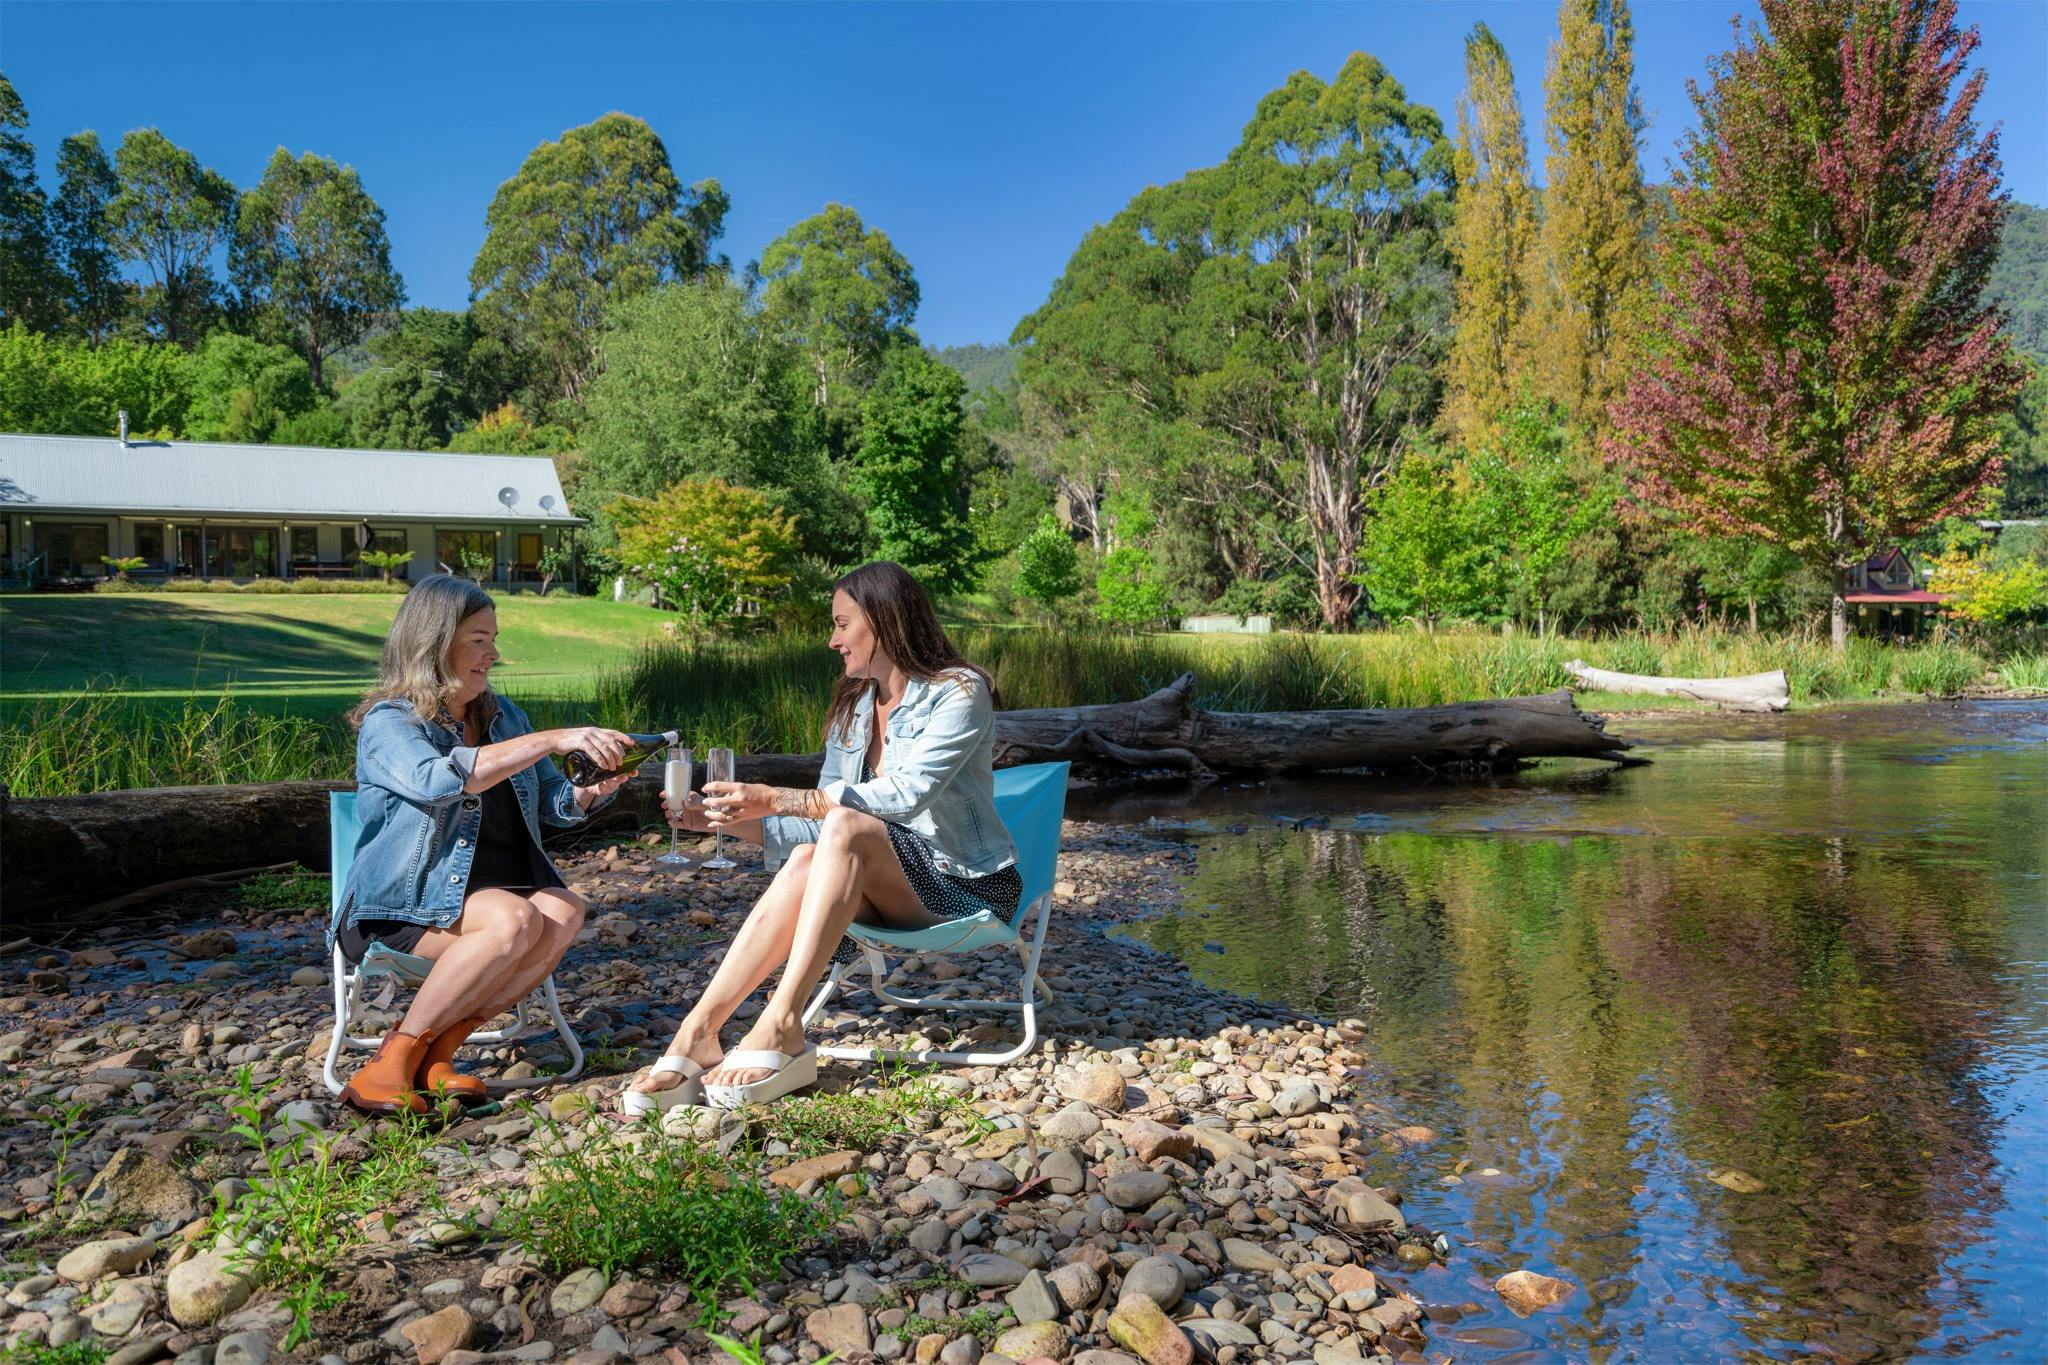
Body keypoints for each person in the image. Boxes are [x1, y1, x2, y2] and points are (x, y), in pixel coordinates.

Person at [623, 561, 1020, 1112]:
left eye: (841, 623)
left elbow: (908, 795)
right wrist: (721, 822)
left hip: (965, 890)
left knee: (844, 823)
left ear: (882, 620)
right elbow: (820, 827)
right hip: (882, 886)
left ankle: (783, 1020)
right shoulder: (855, 706)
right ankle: (698, 1032)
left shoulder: (959, 691)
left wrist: (777, 795)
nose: (831, 640)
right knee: (813, 852)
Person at [332, 574, 633, 1116]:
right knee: (514, 920)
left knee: (563, 908)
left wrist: (589, 793)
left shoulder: (503, 717)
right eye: (479, 639)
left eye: (493, 639)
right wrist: (552, 738)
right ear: (435, 641)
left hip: (487, 906)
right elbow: (438, 780)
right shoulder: (391, 723)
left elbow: (551, 803)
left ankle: (435, 1055)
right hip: (405, 907)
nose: (493, 654)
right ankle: (388, 1065)